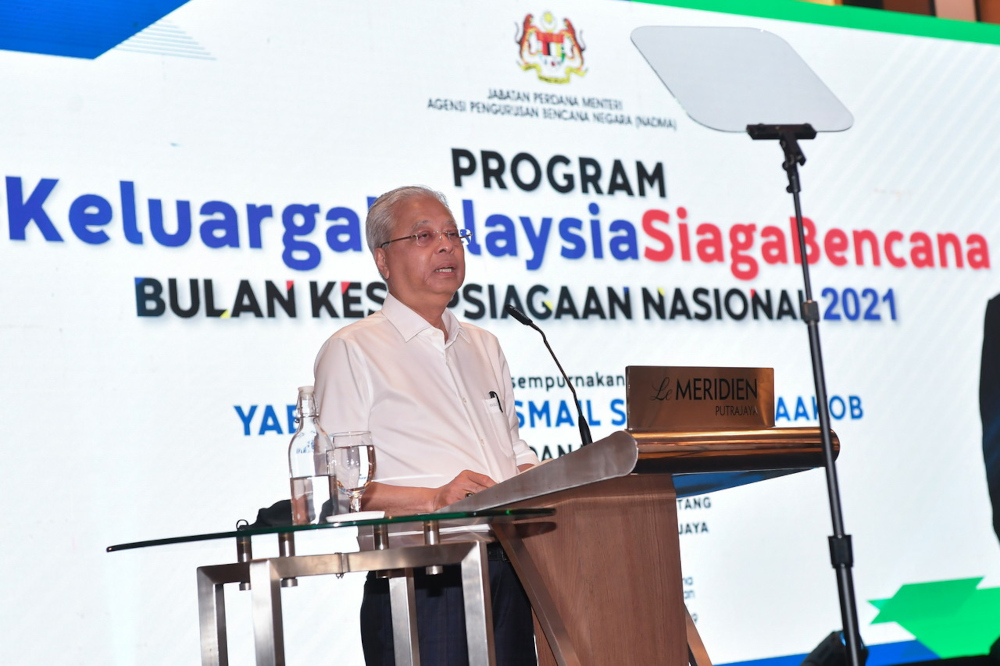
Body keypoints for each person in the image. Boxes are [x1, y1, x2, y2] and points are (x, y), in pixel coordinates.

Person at [313, 185, 540, 665]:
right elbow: (336, 489)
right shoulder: (353, 350)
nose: (445, 246)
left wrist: (535, 476)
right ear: (382, 258)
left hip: (510, 569)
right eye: (423, 236)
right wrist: (434, 499)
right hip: (421, 583)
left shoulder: (484, 345)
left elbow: (512, 449)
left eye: (453, 234)